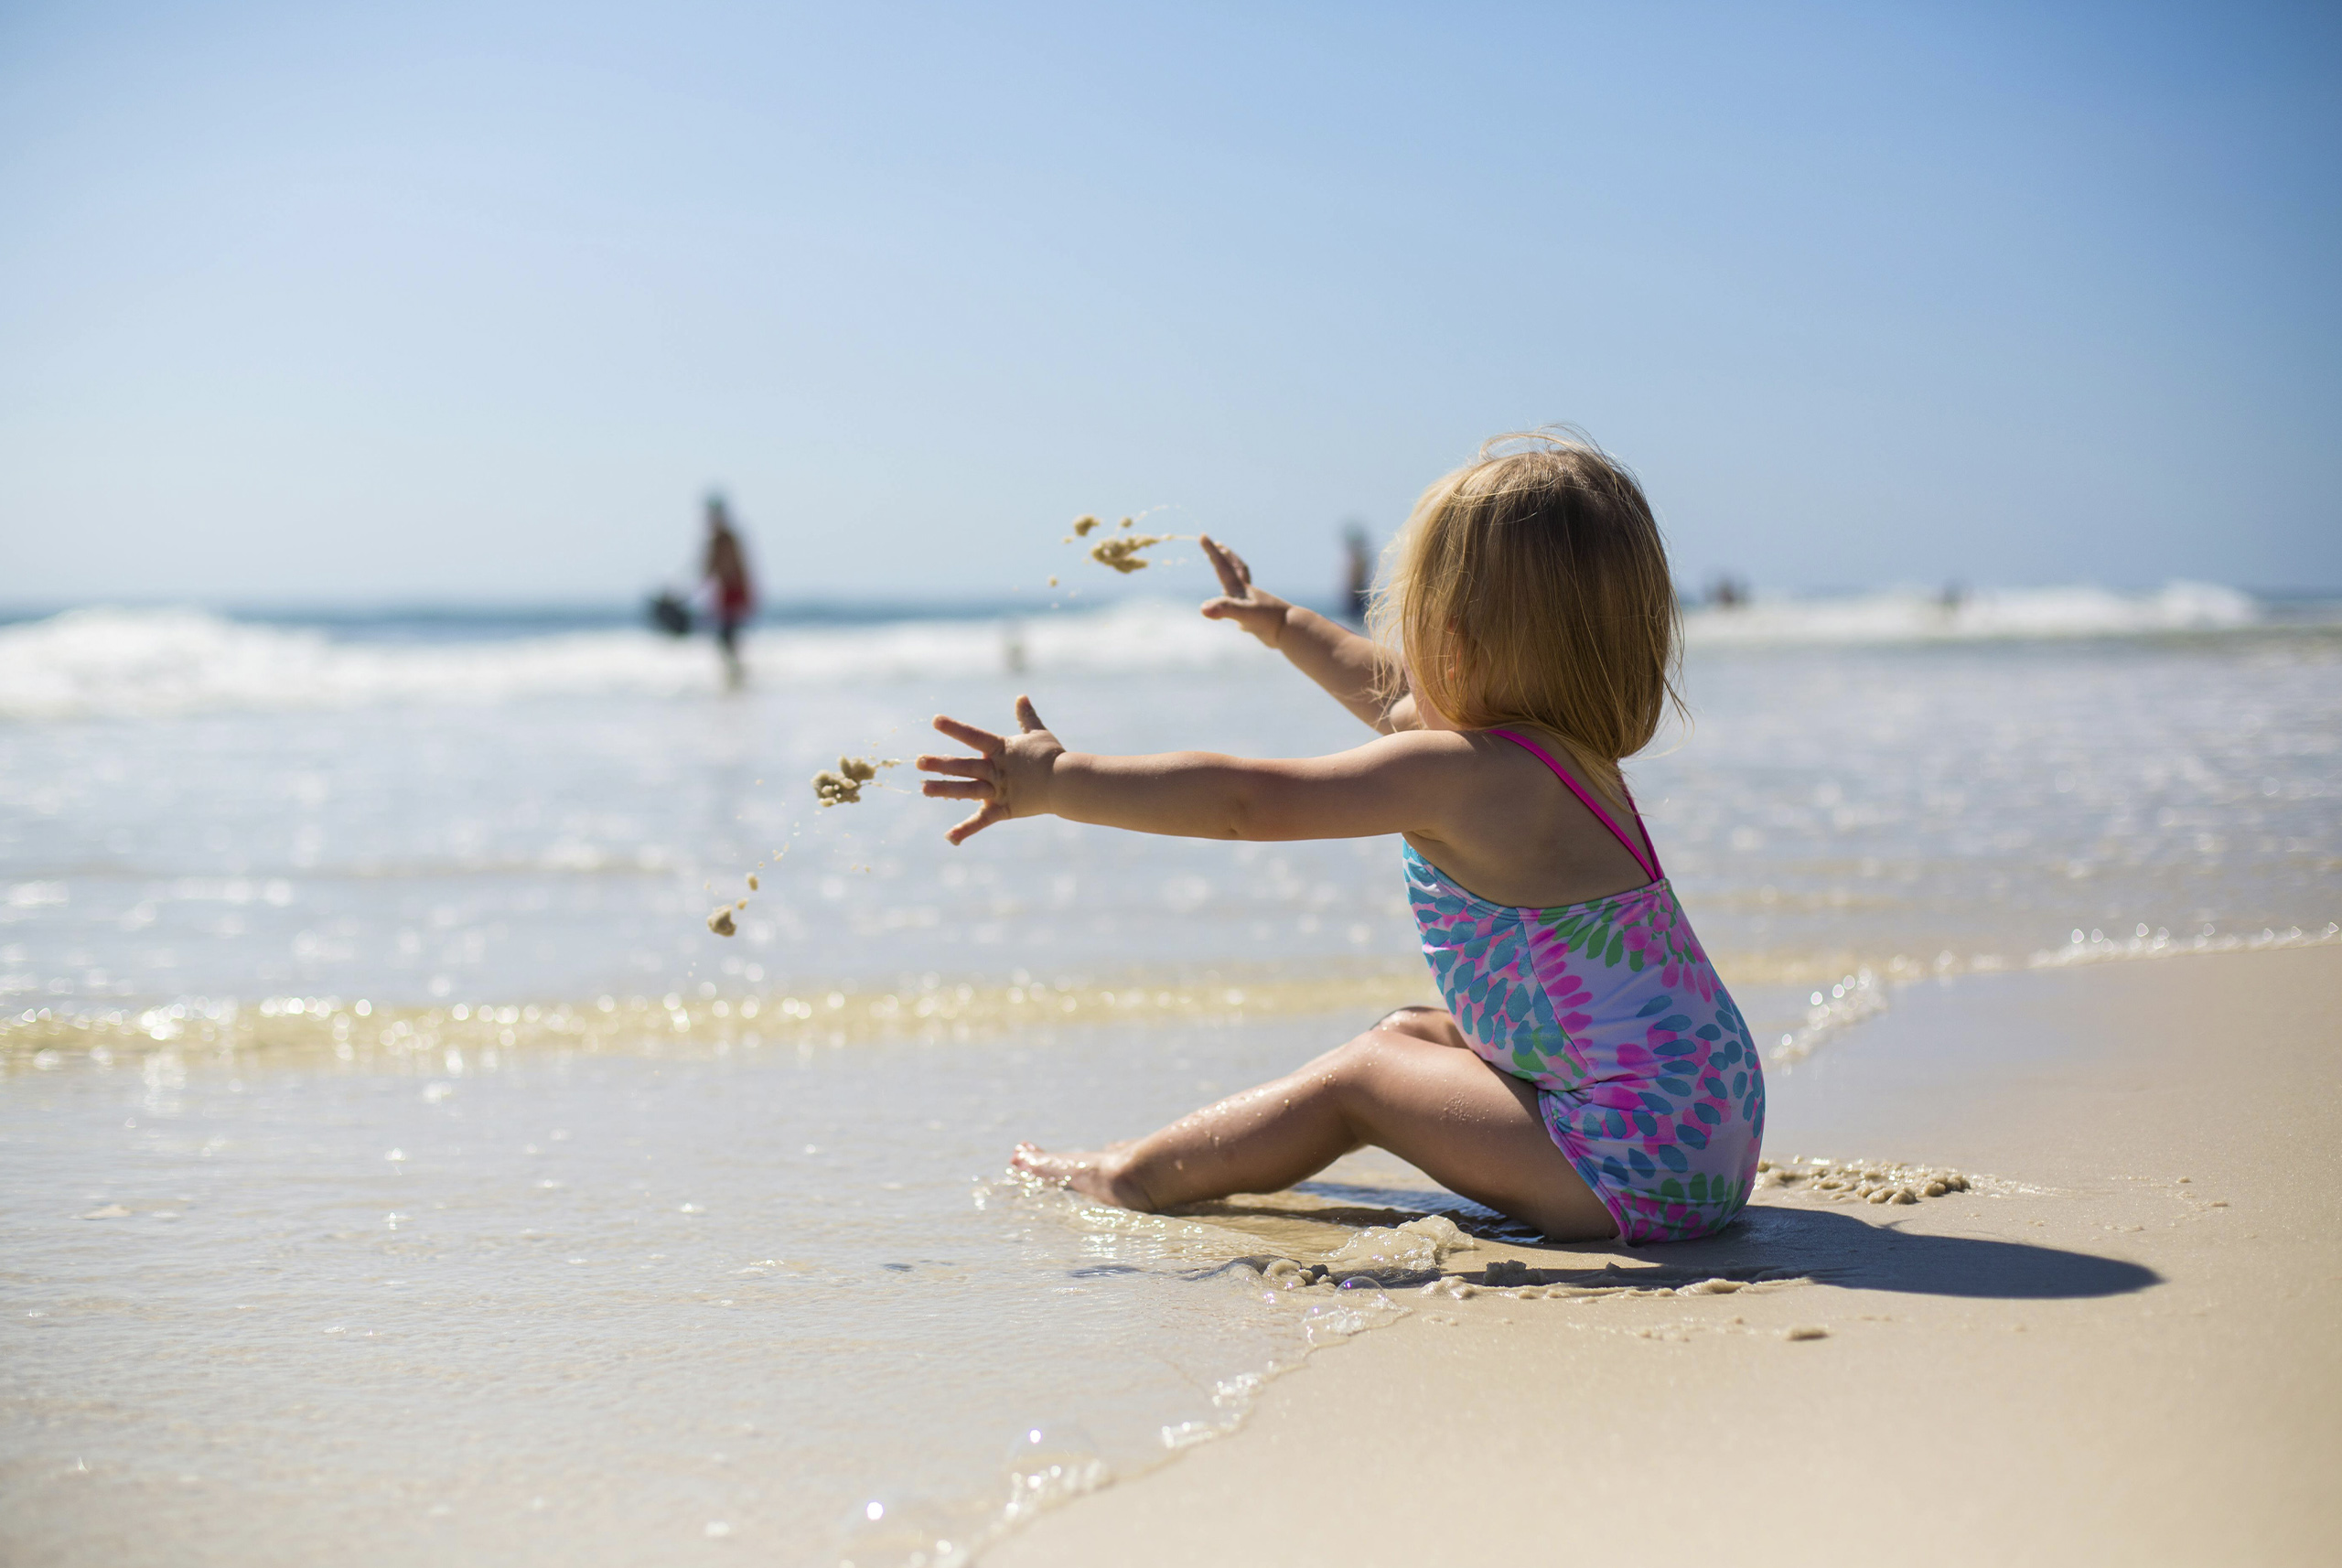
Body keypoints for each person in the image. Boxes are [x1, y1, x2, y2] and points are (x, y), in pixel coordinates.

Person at [917, 433, 1763, 1243]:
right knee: (1411, 1032)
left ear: (1452, 642)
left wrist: (1059, 782)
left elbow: (1247, 802)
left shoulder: (1465, 775)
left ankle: (1130, 1175)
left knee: (1364, 1077)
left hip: (1629, 1166)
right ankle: (1182, 1155)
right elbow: (1391, 696)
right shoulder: (1565, 760)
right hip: (1705, 1130)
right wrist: (1285, 624)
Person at [701, 493, 755, 685]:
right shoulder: (720, 539)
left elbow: (724, 568)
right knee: (726, 638)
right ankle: (736, 675)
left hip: (733, 593)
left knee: (727, 637)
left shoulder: (725, 539)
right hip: (727, 594)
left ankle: (737, 676)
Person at [1340, 523, 1373, 625]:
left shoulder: (1358, 559)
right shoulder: (1358, 558)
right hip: (1358, 594)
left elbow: (1355, 579)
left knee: (1357, 622)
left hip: (1358, 594)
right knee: (1357, 623)